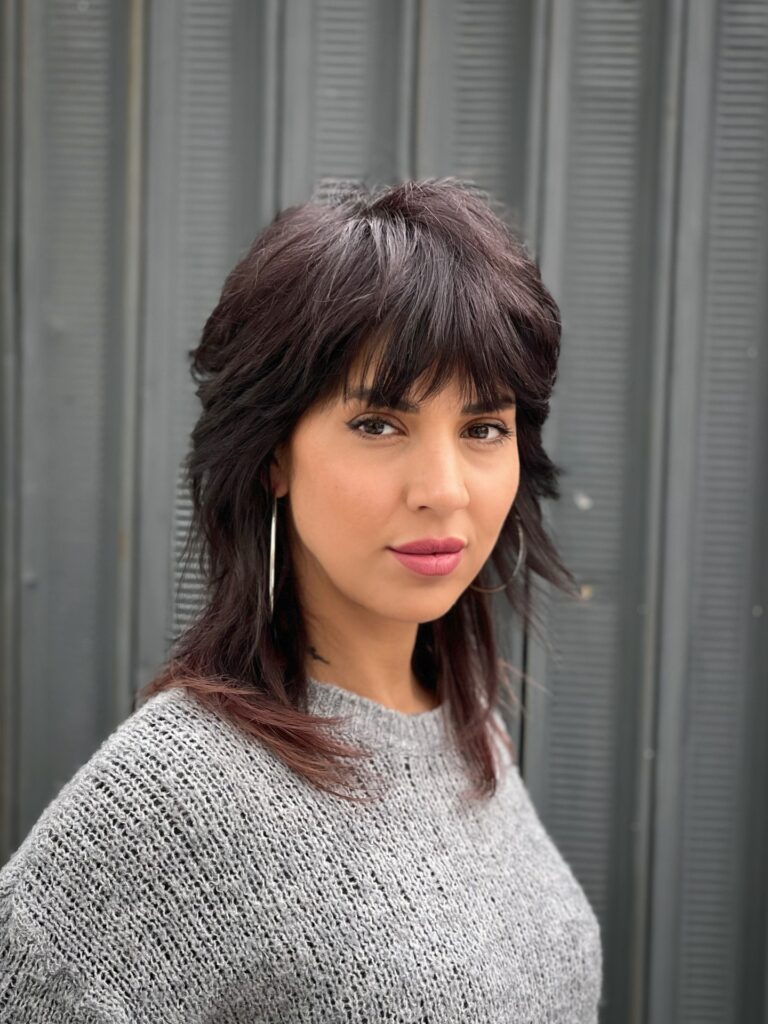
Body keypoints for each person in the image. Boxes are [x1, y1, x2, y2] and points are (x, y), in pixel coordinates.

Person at [0, 178, 603, 1021]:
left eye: (482, 428)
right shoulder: (180, 793)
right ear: (272, 454)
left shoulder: (471, 736)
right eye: (378, 424)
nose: (444, 489)